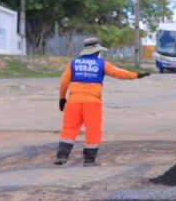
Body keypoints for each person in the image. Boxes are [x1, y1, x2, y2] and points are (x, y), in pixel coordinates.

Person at [55, 36, 150, 166]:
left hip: (73, 102)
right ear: (97, 51)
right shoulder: (101, 64)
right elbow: (118, 73)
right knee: (93, 131)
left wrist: (62, 98)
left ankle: (62, 156)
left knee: (69, 129)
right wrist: (137, 75)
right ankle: (89, 160)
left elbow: (63, 82)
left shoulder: (73, 63)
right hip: (92, 103)